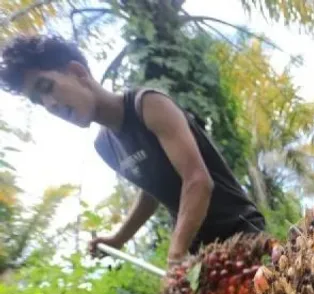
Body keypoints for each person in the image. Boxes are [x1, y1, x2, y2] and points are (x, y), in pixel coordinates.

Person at [0, 35, 266, 269]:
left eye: (46, 87)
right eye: (38, 101)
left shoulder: (148, 105)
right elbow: (150, 190)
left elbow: (198, 181)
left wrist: (175, 254)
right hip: (203, 252)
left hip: (241, 231)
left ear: (77, 72)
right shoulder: (104, 147)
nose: (49, 104)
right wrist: (119, 239)